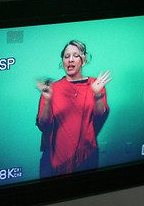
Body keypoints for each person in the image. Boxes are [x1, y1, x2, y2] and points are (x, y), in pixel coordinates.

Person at [36, 40, 112, 177]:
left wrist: (97, 94)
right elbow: (43, 124)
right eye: (66, 56)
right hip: (55, 160)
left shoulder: (96, 84)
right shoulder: (53, 88)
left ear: (83, 60)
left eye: (75, 55)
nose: (70, 60)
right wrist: (47, 101)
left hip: (86, 157)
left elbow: (100, 116)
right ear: (62, 61)